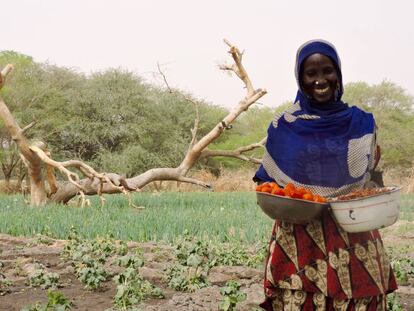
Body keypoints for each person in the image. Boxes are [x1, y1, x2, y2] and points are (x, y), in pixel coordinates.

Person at [254, 39, 397, 310]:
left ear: (339, 74)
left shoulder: (362, 121)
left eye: (327, 70)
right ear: (300, 78)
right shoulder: (284, 125)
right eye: (311, 73)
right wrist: (293, 197)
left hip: (353, 232)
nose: (321, 79)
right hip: (299, 235)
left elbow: (370, 179)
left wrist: (377, 190)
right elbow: (267, 181)